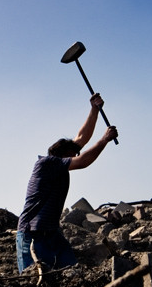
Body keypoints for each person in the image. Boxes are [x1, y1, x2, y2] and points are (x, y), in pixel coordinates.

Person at [16, 93, 119, 273]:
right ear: (63, 154)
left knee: (70, 270)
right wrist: (104, 140)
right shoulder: (47, 163)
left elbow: (81, 137)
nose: (76, 156)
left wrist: (94, 110)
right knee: (35, 278)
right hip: (32, 234)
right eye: (73, 153)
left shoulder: (58, 164)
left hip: (51, 232)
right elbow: (84, 161)